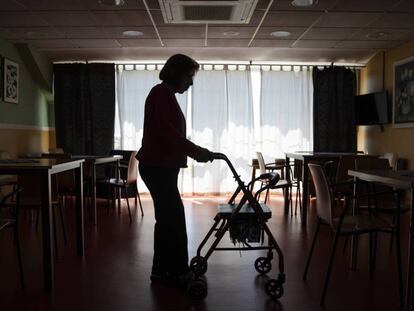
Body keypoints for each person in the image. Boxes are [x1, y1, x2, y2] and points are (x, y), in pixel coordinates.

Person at [137, 54, 213, 285]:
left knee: (168, 219)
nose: (191, 82)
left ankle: (161, 271)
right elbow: (168, 133)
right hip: (157, 166)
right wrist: (196, 151)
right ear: (176, 73)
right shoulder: (160, 94)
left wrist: (194, 150)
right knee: (174, 220)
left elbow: (170, 133)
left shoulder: (165, 95)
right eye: (189, 76)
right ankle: (178, 271)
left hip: (160, 166)